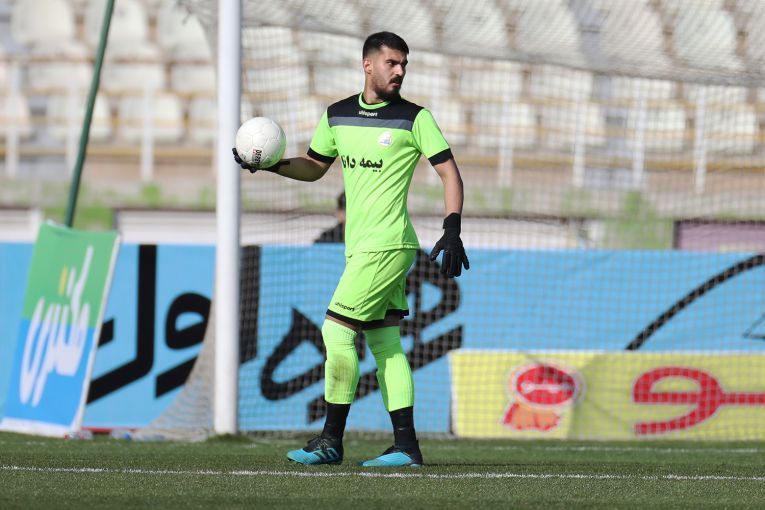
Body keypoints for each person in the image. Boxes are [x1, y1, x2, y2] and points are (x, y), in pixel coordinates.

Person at [233, 31, 469, 467]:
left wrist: (451, 228)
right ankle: (406, 446)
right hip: (362, 249)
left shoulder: (415, 118)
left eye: (404, 64)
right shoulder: (337, 115)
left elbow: (450, 174)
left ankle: (331, 439)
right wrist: (271, 164)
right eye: (392, 63)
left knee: (336, 331)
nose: (400, 71)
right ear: (368, 65)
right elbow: (314, 167)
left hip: (388, 244)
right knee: (385, 343)